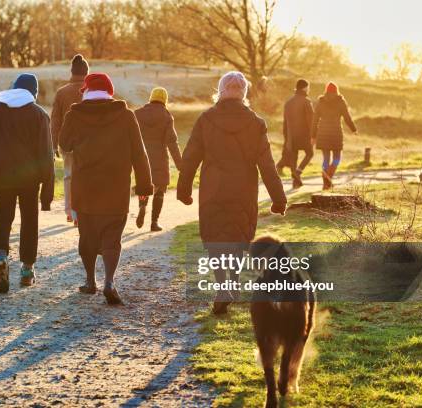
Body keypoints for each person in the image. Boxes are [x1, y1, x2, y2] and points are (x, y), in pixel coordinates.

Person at [177, 71, 287, 315]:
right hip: (243, 190)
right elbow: (267, 165)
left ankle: (221, 287)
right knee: (237, 237)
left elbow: (190, 157)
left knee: (216, 238)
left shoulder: (206, 119)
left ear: (221, 90)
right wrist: (279, 199)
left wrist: (184, 189)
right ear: (244, 93)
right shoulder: (256, 123)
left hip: (212, 189)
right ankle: (233, 283)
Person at [59, 73, 153, 305]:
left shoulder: (75, 114)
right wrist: (143, 186)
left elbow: (63, 143)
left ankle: (90, 281)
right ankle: (109, 282)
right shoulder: (126, 116)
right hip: (116, 187)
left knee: (87, 236)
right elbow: (139, 154)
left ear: (87, 92)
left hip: (85, 186)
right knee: (112, 238)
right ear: (110, 92)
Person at [0, 73, 55, 293]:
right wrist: (47, 193)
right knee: (29, 221)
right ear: (34, 92)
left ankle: (1, 256)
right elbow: (47, 155)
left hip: (2, 176)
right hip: (30, 180)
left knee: (1, 219)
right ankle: (27, 269)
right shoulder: (39, 115)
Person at [134, 87, 182, 231]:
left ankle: (142, 205)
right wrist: (180, 165)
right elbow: (172, 142)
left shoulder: (137, 114)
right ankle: (154, 222)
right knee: (159, 189)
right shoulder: (166, 116)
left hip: (141, 157)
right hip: (160, 157)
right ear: (164, 100)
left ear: (151, 98)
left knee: (144, 184)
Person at [51, 54, 90, 225]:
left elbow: (55, 121)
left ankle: (70, 212)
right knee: (86, 175)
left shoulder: (62, 92)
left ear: (72, 72)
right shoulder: (90, 91)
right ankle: (82, 211)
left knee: (68, 176)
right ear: (86, 72)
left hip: (66, 142)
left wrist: (53, 144)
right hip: (89, 142)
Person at [311, 82, 357, 189]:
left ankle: (326, 182)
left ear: (326, 90)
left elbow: (315, 120)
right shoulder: (341, 102)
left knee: (326, 159)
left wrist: (313, 136)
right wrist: (353, 129)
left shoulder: (321, 102)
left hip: (323, 133)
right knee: (337, 158)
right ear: (336, 90)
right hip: (336, 133)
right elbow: (347, 117)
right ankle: (328, 180)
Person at [283, 79, 314, 189]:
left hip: (292, 135)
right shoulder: (306, 101)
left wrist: (286, 137)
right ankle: (298, 173)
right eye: (308, 87)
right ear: (304, 88)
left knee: (294, 157)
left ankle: (295, 182)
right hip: (304, 135)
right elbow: (311, 120)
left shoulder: (288, 102)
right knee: (310, 153)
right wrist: (313, 135)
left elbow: (285, 122)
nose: (309, 89)